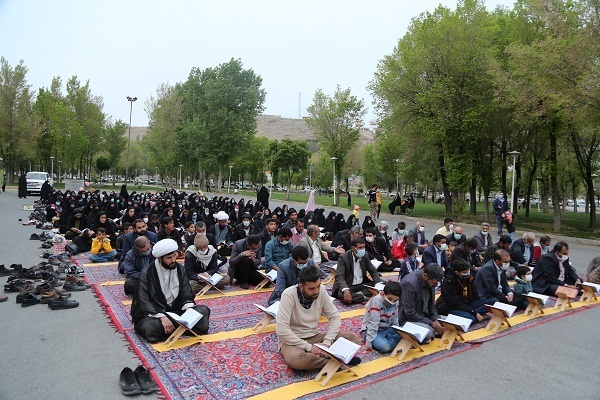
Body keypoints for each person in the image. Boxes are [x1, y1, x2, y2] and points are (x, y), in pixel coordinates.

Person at [275, 265, 361, 370]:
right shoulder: (288, 295)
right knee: (296, 359)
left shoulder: (321, 291)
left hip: (314, 336)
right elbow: (282, 330)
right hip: (292, 340)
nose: (316, 291)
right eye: (311, 288)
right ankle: (337, 359)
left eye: (318, 286)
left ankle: (326, 358)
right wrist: (309, 347)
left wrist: (326, 343)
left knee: (352, 339)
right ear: (301, 287)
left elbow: (334, 316)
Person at [130, 239, 210, 343]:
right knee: (149, 327)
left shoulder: (179, 269)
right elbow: (144, 301)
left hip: (177, 310)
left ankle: (175, 327)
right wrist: (162, 317)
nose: (173, 260)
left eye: (174, 256)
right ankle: (182, 327)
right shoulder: (147, 273)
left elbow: (186, 292)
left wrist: (188, 309)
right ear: (160, 258)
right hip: (156, 313)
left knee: (203, 311)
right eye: (169, 258)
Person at [398, 263, 445, 343]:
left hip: (425, 316)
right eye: (434, 283)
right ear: (425, 276)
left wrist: (435, 319)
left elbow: (431, 306)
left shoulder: (431, 282)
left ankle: (433, 332)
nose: (435, 286)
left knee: (449, 323)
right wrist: (432, 324)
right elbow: (410, 313)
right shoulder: (409, 283)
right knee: (429, 332)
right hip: (410, 319)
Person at [332, 237, 382, 304]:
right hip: (349, 285)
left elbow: (373, 271)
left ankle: (360, 296)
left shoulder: (365, 255)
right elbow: (339, 277)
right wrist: (346, 290)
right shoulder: (343, 257)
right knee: (342, 294)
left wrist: (378, 284)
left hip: (361, 284)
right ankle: (365, 297)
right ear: (353, 248)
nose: (362, 250)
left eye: (363, 247)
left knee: (384, 285)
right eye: (360, 248)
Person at [361, 281, 402, 353]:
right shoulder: (377, 300)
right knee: (385, 347)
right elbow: (373, 323)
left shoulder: (396, 302)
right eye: (389, 299)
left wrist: (398, 331)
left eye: (395, 300)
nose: (392, 302)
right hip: (372, 330)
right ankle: (393, 341)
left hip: (387, 328)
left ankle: (390, 339)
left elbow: (395, 319)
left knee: (407, 336)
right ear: (383, 294)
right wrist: (368, 343)